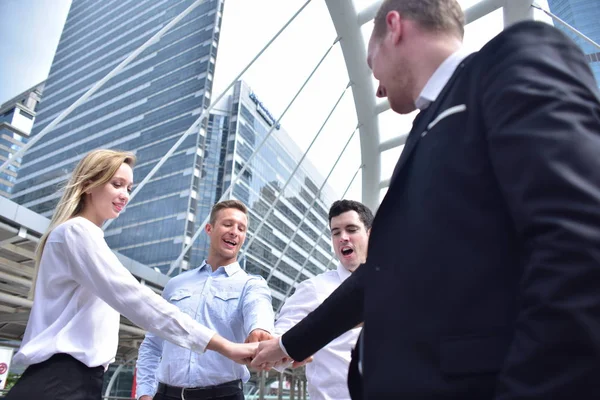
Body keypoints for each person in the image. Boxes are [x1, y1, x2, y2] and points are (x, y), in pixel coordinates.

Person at [252, 0, 600, 399]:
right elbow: (382, 273)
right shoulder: (425, 131)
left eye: (372, 64)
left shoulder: (516, 59)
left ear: (395, 27)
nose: (378, 87)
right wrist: (287, 345)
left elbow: (581, 239)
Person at [6, 149, 257, 400]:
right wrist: (224, 346)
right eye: (117, 184)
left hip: (75, 382)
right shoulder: (76, 233)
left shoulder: (82, 236)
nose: (125, 195)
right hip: (60, 382)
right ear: (88, 185)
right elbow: (136, 300)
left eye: (129, 187)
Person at [136, 199, 274, 400]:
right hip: (166, 395)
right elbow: (152, 344)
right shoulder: (175, 284)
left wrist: (260, 330)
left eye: (241, 228)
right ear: (209, 229)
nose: (234, 231)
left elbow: (259, 307)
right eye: (228, 224)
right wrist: (145, 394)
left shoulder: (251, 284)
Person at [274, 200, 373, 400]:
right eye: (336, 232)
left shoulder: (396, 286)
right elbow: (280, 338)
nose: (343, 237)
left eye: (351, 229)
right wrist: (282, 352)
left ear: (371, 234)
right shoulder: (313, 289)